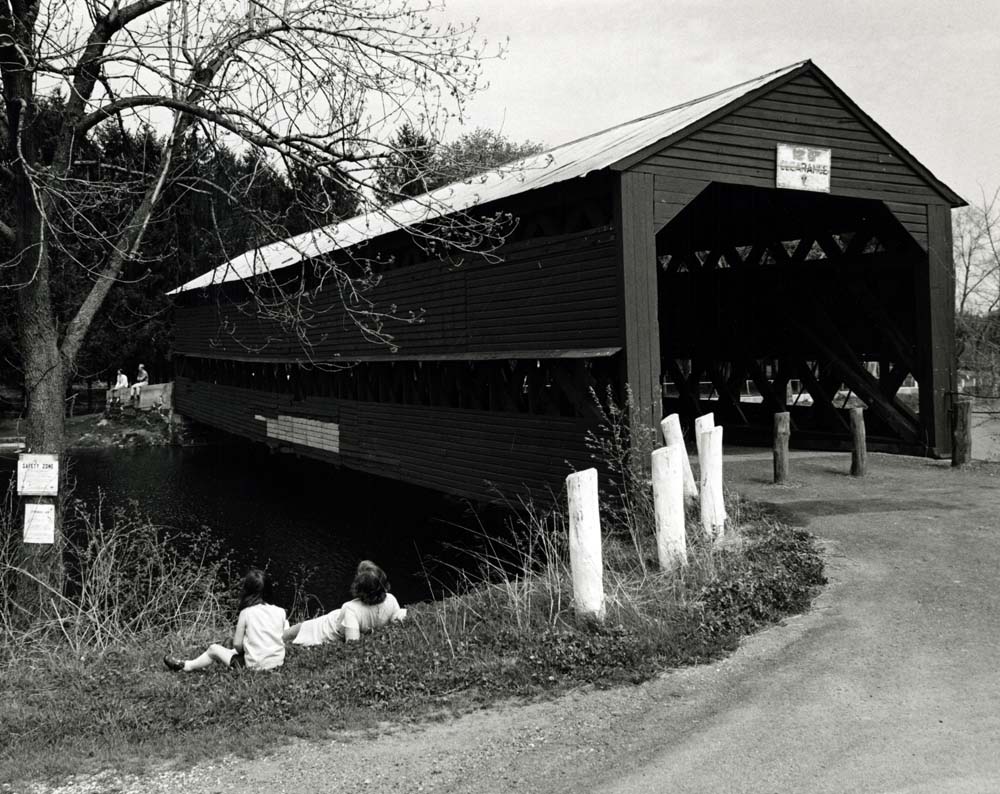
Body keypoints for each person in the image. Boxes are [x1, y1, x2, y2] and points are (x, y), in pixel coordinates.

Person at [164, 569, 288, 672]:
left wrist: (241, 651)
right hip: (277, 664)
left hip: (254, 667)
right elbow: (284, 637)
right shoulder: (280, 611)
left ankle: (186, 666)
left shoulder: (246, 613)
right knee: (233, 649)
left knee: (213, 649)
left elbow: (237, 644)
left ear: (247, 591)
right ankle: (191, 664)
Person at [284, 560, 406, 646]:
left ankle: (276, 639)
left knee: (298, 629)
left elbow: (352, 643)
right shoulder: (391, 599)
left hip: (327, 629)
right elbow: (398, 617)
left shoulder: (351, 609)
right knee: (298, 628)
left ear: (359, 588)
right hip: (335, 618)